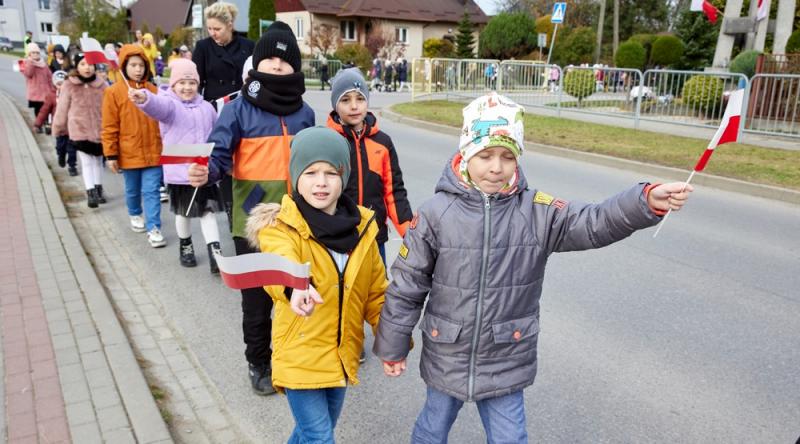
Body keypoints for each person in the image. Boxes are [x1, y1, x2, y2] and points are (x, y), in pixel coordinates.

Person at [373, 93, 693, 443]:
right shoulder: (436, 213)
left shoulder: (537, 211)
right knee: (431, 431)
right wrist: (393, 345)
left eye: (508, 156)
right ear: (466, 154)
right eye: (485, 155)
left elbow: (594, 222)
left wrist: (643, 201)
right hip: (448, 349)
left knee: (510, 438)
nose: (496, 167)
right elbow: (408, 284)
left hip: (507, 355)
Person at [187, 21, 314, 396]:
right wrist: (206, 172)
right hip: (252, 222)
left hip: (297, 221)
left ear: (294, 68)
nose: (277, 64)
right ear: (257, 63)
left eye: (285, 60)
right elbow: (218, 157)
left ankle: (291, 359)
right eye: (270, 58)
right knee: (257, 302)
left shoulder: (304, 113)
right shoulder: (237, 110)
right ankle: (258, 363)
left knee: (295, 294)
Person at [245, 126, 387, 443]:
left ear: (343, 177)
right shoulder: (280, 226)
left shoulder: (364, 228)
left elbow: (376, 292)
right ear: (296, 176)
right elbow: (279, 262)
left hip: (341, 353)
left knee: (311, 434)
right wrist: (297, 285)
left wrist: (392, 341)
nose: (320, 182)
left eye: (330, 173)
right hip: (300, 352)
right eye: (310, 173)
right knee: (320, 437)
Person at [129, 59, 222, 272]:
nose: (187, 87)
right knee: (183, 212)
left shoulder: (207, 107)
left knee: (207, 211)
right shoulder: (170, 105)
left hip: (203, 170)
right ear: (173, 84)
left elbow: (217, 133)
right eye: (182, 83)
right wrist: (145, 98)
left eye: (192, 83)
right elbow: (158, 107)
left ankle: (215, 252)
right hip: (180, 172)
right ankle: (185, 244)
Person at [326, 68, 412, 264]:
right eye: (345, 100)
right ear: (335, 105)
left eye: (360, 98)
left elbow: (394, 191)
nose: (354, 106)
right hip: (337, 239)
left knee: (378, 284)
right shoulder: (327, 140)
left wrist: (409, 232)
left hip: (374, 238)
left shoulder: (383, 143)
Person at [192, 1, 255, 231]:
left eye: (217, 28)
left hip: (245, 112)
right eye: (209, 28)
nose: (213, 33)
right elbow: (196, 83)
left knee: (245, 162)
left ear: (230, 25)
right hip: (217, 114)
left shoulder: (248, 46)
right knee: (225, 163)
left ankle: (250, 210)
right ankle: (232, 214)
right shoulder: (203, 48)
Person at [101, 44, 165, 247]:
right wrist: (111, 154)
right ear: (124, 66)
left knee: (152, 190)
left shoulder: (154, 91)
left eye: (141, 65)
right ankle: (135, 213)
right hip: (128, 152)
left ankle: (154, 228)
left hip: (154, 151)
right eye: (133, 65)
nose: (138, 69)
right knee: (132, 190)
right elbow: (109, 126)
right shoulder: (113, 92)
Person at [53, 52, 108, 208]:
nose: (87, 68)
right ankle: (90, 192)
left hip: (99, 129)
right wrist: (58, 127)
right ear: (76, 66)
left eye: (90, 64)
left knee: (98, 161)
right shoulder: (69, 84)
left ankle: (98, 189)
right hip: (79, 129)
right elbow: (62, 108)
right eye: (83, 64)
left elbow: (110, 106)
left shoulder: (102, 85)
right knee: (87, 162)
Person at [23, 43, 53, 122]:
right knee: (38, 109)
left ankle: (45, 123)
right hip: (35, 92)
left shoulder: (43, 64)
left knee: (46, 108)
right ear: (29, 54)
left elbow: (49, 77)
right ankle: (38, 123)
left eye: (37, 52)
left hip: (46, 92)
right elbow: (28, 74)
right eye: (33, 52)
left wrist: (52, 88)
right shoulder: (27, 63)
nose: (35, 54)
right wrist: (31, 62)